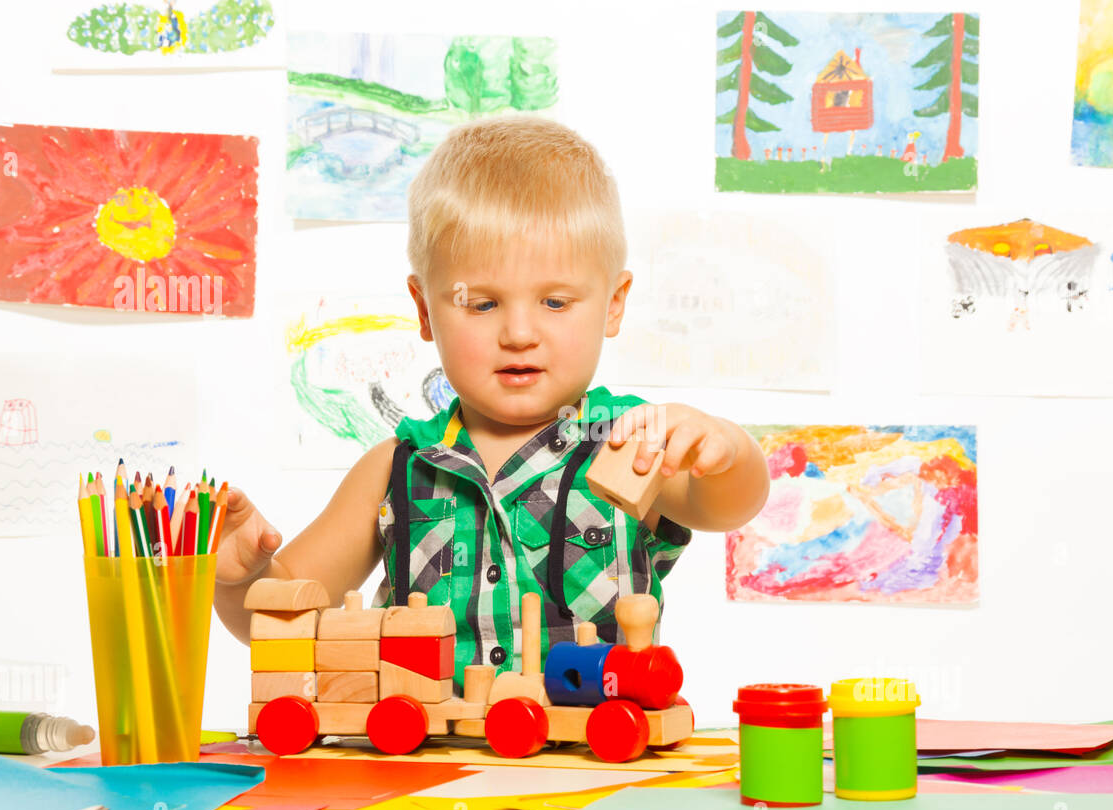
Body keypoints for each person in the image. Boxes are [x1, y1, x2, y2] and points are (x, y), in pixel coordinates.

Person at [212, 115, 770, 691]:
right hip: (423, 762)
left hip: (587, 760)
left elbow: (729, 505)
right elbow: (279, 618)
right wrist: (239, 579)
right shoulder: (399, 467)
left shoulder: (633, 442)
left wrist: (725, 450)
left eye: (555, 302)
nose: (519, 332)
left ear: (613, 303)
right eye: (481, 305)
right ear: (425, 310)